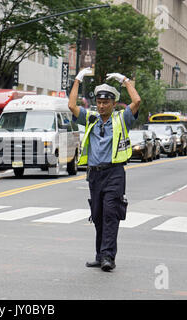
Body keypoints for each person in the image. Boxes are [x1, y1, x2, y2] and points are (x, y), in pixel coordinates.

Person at [68, 68, 141, 272]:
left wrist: (125, 80)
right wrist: (77, 80)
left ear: (113, 103)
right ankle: (100, 256)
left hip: (114, 173)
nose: (101, 106)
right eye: (99, 102)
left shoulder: (121, 118)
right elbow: (71, 105)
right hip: (94, 174)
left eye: (105, 102)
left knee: (110, 213)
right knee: (98, 215)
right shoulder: (90, 118)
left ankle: (109, 256)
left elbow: (137, 102)